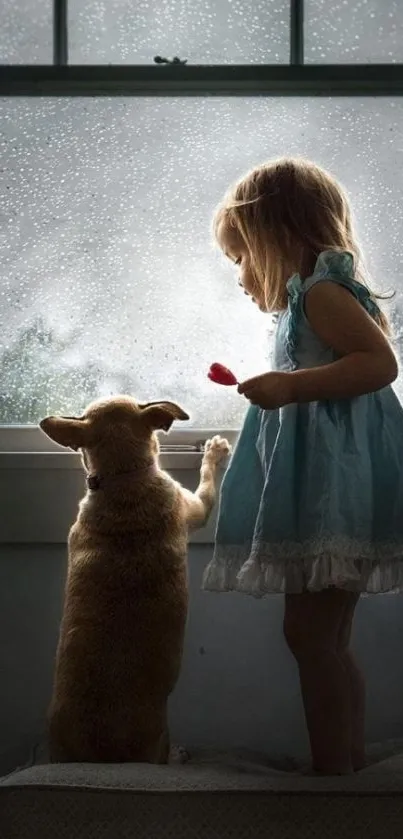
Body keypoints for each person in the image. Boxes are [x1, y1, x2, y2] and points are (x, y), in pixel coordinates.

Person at [202, 157, 403, 775]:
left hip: (332, 497)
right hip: (330, 491)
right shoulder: (305, 302)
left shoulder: (320, 294)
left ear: (277, 237)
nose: (237, 275)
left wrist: (290, 389)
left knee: (311, 637)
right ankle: (341, 766)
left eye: (239, 257)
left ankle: (331, 777)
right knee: (324, 639)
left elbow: (380, 365)